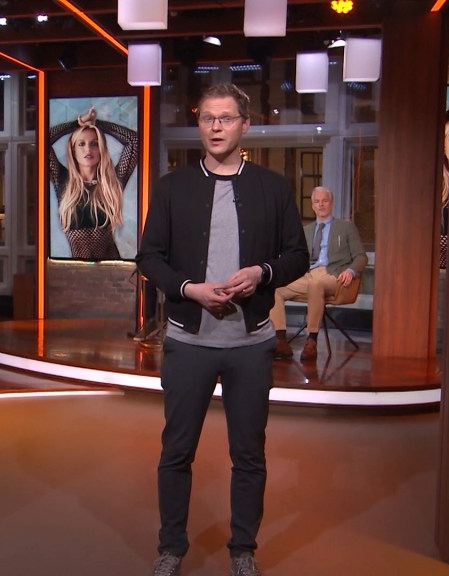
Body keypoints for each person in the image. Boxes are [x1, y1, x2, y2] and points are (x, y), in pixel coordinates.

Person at [136, 83, 309, 576]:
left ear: (244, 125)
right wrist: (189, 289)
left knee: (249, 454)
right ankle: (171, 548)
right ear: (200, 125)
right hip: (188, 342)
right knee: (176, 452)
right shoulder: (172, 187)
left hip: (250, 344)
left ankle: (243, 551)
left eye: (226, 118)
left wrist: (261, 274)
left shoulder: (271, 187)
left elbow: (297, 255)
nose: (216, 127)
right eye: (208, 118)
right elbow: (149, 257)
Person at [271, 186, 368, 361]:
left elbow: (361, 256)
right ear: (313, 206)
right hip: (308, 274)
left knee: (316, 284)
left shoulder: (346, 227)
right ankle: (281, 341)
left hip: (334, 275)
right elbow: (296, 256)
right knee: (275, 288)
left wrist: (351, 271)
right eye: (317, 202)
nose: (321, 205)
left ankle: (312, 340)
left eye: (325, 201)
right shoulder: (306, 230)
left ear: (331, 203)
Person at [48, 106, 138, 259]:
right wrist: (78, 123)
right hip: (77, 269)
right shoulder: (63, 180)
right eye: (81, 144)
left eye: (94, 144)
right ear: (73, 150)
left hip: (111, 266)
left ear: (101, 148)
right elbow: (43, 138)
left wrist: (97, 124)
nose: (88, 149)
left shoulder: (111, 181)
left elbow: (134, 141)